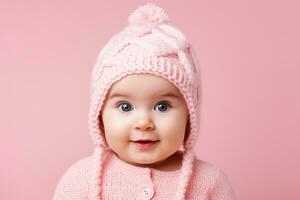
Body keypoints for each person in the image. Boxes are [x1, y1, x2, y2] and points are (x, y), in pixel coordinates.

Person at [53, 3, 235, 200]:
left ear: (189, 116)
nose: (144, 123)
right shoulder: (80, 181)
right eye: (125, 107)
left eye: (162, 106)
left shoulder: (210, 183)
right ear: (100, 116)